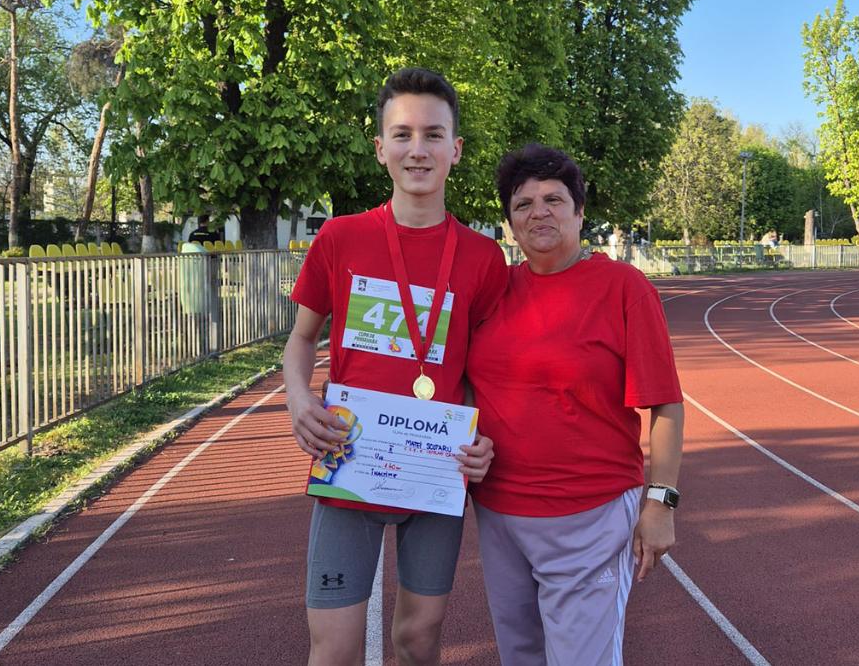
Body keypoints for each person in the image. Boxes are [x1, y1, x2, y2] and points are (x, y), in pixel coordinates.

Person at [284, 68, 508, 666]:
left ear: (455, 149)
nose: (418, 149)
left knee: (418, 639)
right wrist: (299, 400)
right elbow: (301, 340)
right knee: (334, 649)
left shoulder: (485, 259)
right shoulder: (340, 238)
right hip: (349, 460)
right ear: (381, 148)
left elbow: (488, 374)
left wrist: (483, 437)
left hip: (436, 470)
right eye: (403, 134)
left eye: (434, 135)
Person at [466, 144, 685, 666]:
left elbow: (666, 405)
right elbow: (469, 382)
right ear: (510, 223)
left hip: (590, 515)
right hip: (500, 513)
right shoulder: (493, 291)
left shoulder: (623, 288)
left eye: (553, 200)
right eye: (523, 204)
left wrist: (660, 503)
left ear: (580, 212)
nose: (538, 212)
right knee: (521, 656)